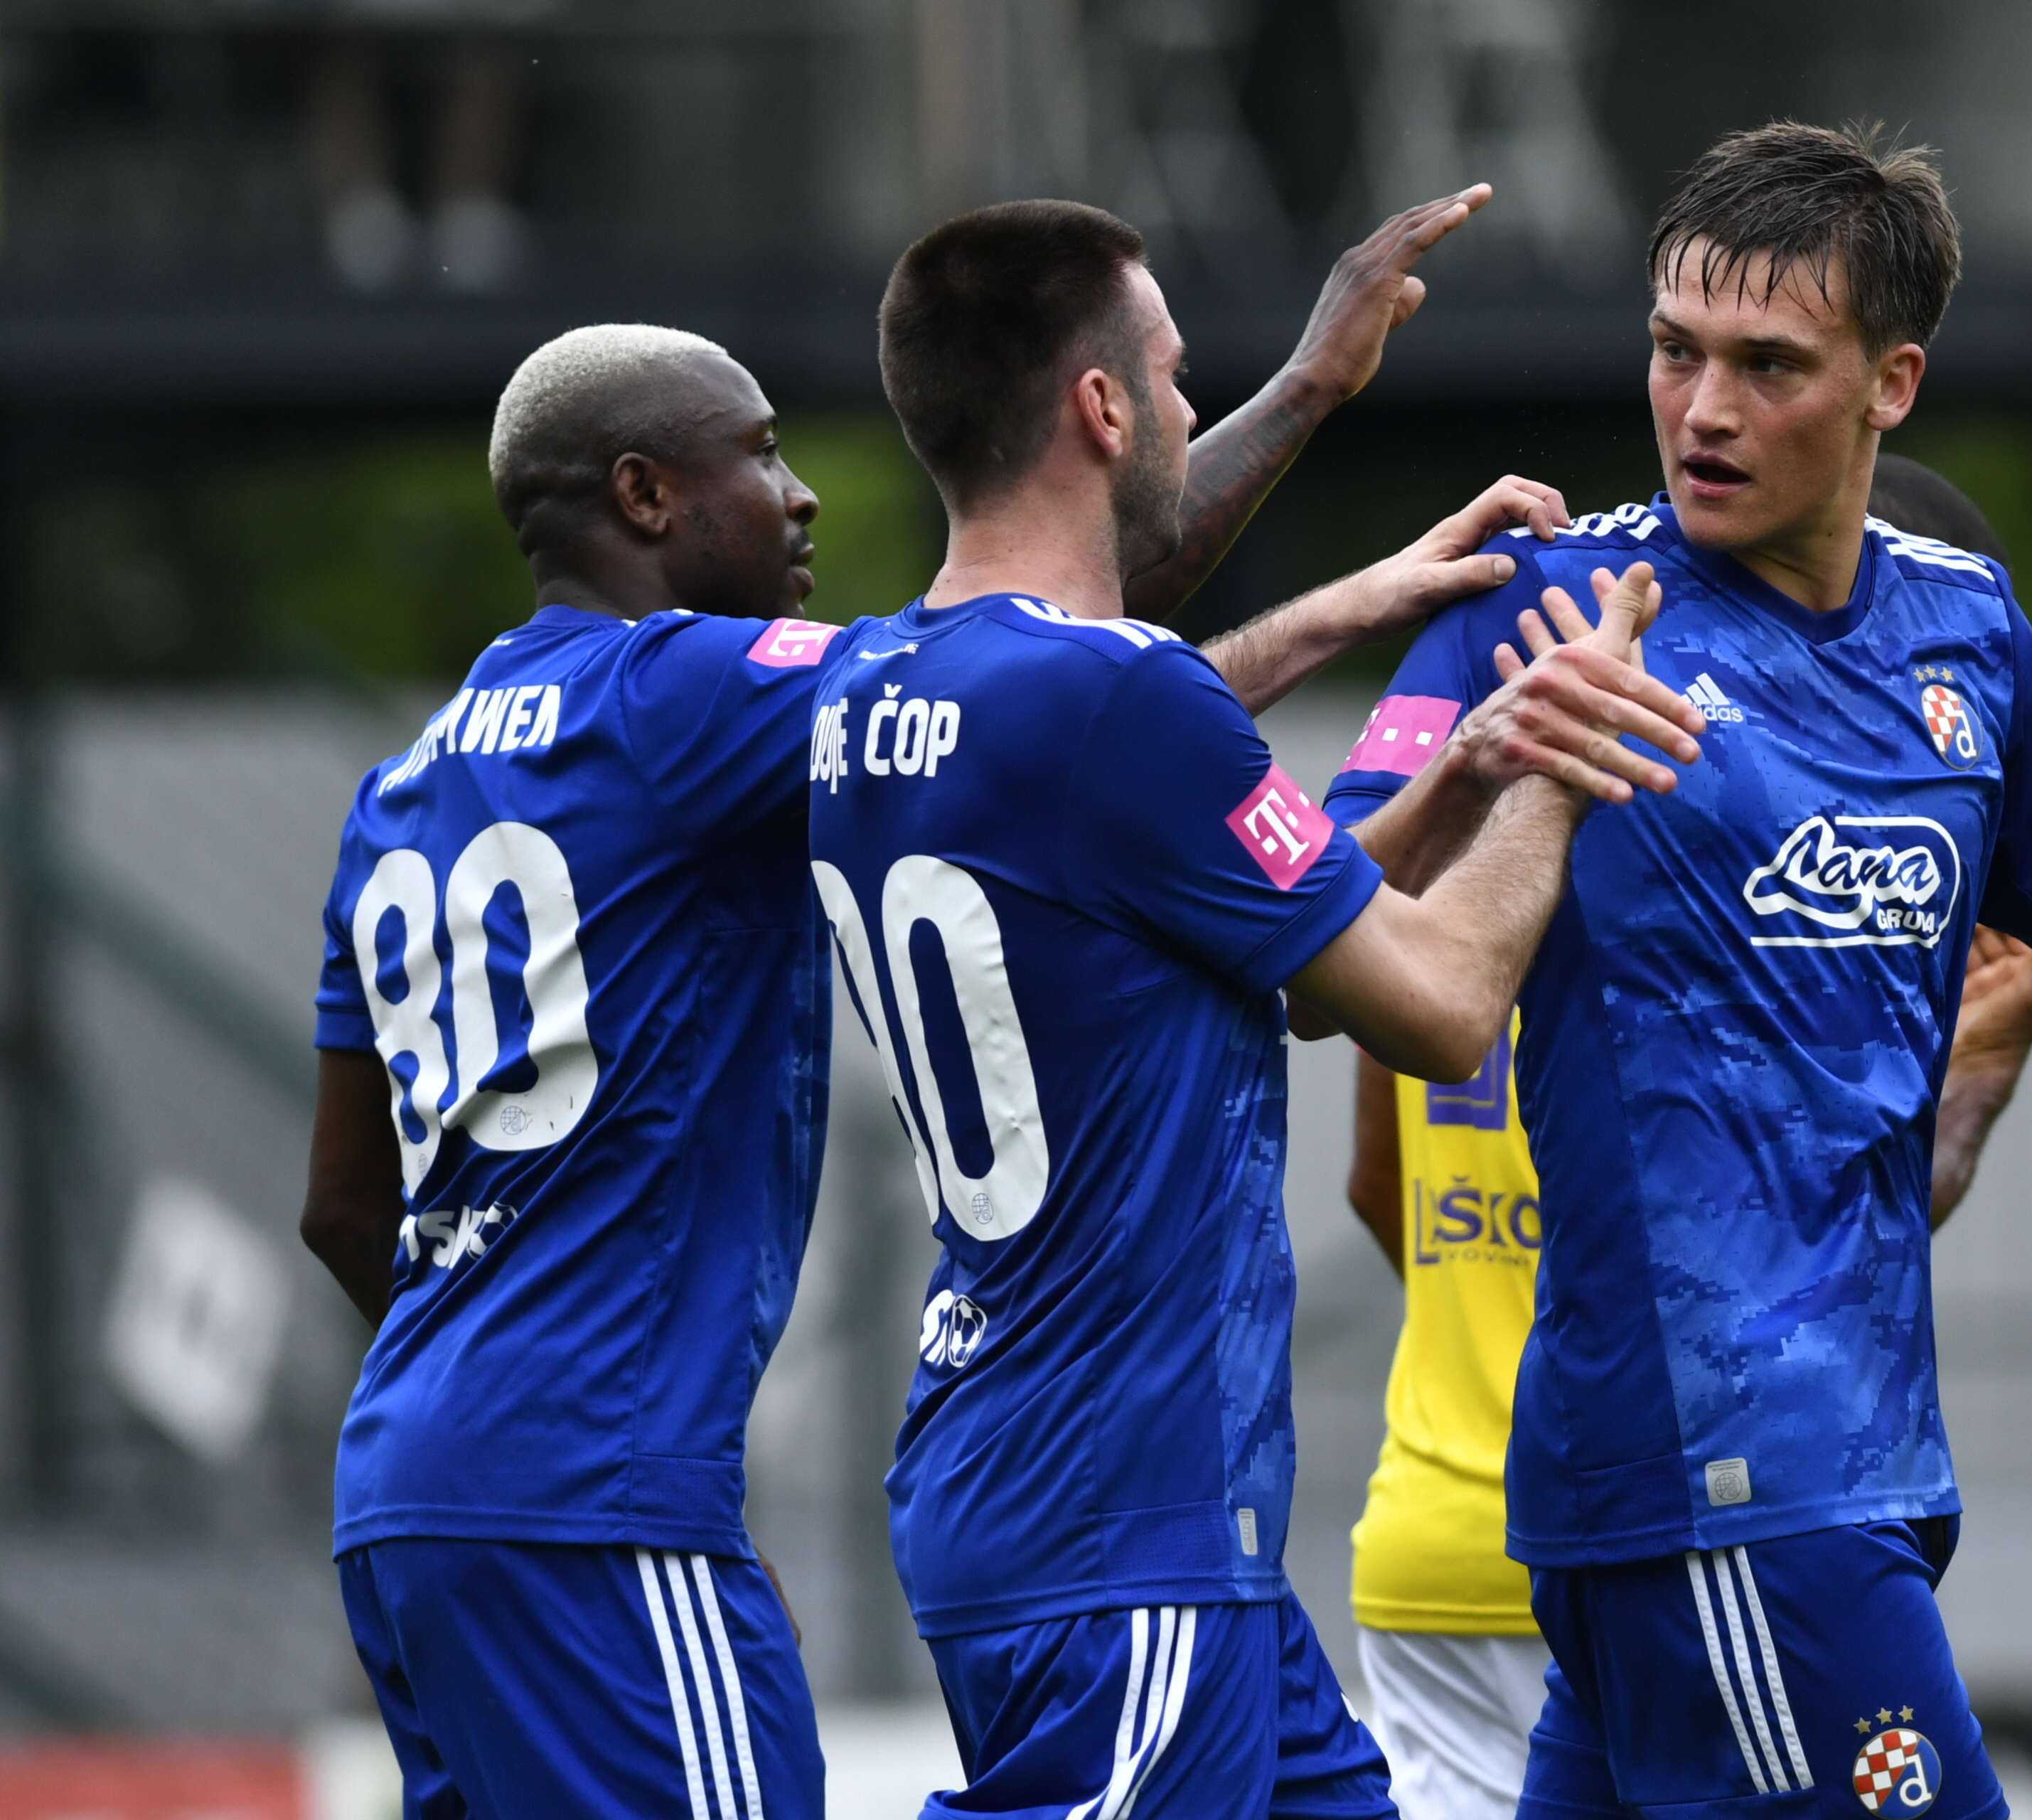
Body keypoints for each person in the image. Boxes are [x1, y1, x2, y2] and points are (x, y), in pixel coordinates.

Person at [296, 183, 1598, 1819]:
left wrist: (1354, 606)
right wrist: (1542, 721)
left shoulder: (401, 789)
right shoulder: (686, 698)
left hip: (415, 1479)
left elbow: (345, 1209)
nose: (797, 494)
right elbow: (1030, 691)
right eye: (758, 455)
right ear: (643, 494)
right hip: (757, 1493)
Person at [1320, 123, 2032, 1820]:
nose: (1703, 408)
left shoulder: (1968, 633)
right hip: (1724, 1485)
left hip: (1829, 1477)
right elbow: (1303, 940)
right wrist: (1477, 764)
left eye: (1768, 365)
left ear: (1893, 384)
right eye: (1674, 350)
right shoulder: (1548, 609)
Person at [803, 198, 1705, 1820]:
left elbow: (1258, 925)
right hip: (1117, 1509)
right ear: (1101, 407)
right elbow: (1442, 1004)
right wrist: (1570, 748)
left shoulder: (876, 685)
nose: (1186, 402)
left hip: (1059, 1480)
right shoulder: (1113, 704)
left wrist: (1456, 754)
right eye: (1171, 373)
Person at [1339, 461, 2032, 1820]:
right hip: (1683, 1487)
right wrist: (1977, 1075)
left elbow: (1379, 1181)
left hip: (1452, 1508)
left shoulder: (1470, 825)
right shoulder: (1741, 869)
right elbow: (1814, 1236)